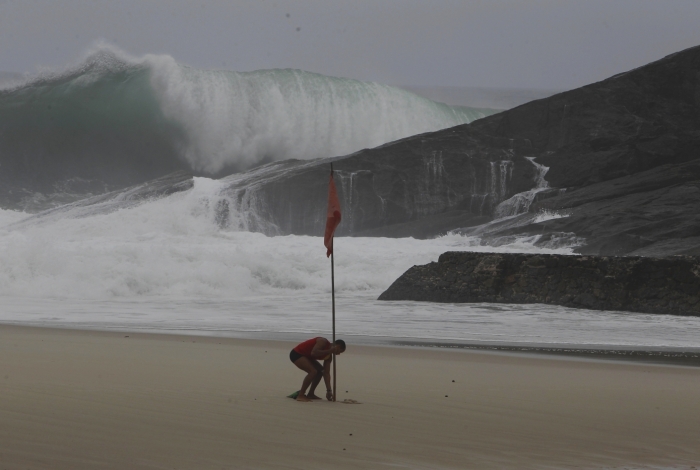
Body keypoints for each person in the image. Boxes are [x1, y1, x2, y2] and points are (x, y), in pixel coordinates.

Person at [289, 337, 346, 402]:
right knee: (313, 371)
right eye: (340, 351)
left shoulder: (328, 357)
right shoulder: (322, 341)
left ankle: (311, 393)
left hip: (307, 357)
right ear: (337, 347)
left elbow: (326, 373)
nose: (338, 354)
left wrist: (329, 390)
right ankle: (301, 395)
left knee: (320, 371)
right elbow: (314, 352)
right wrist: (329, 351)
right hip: (297, 354)